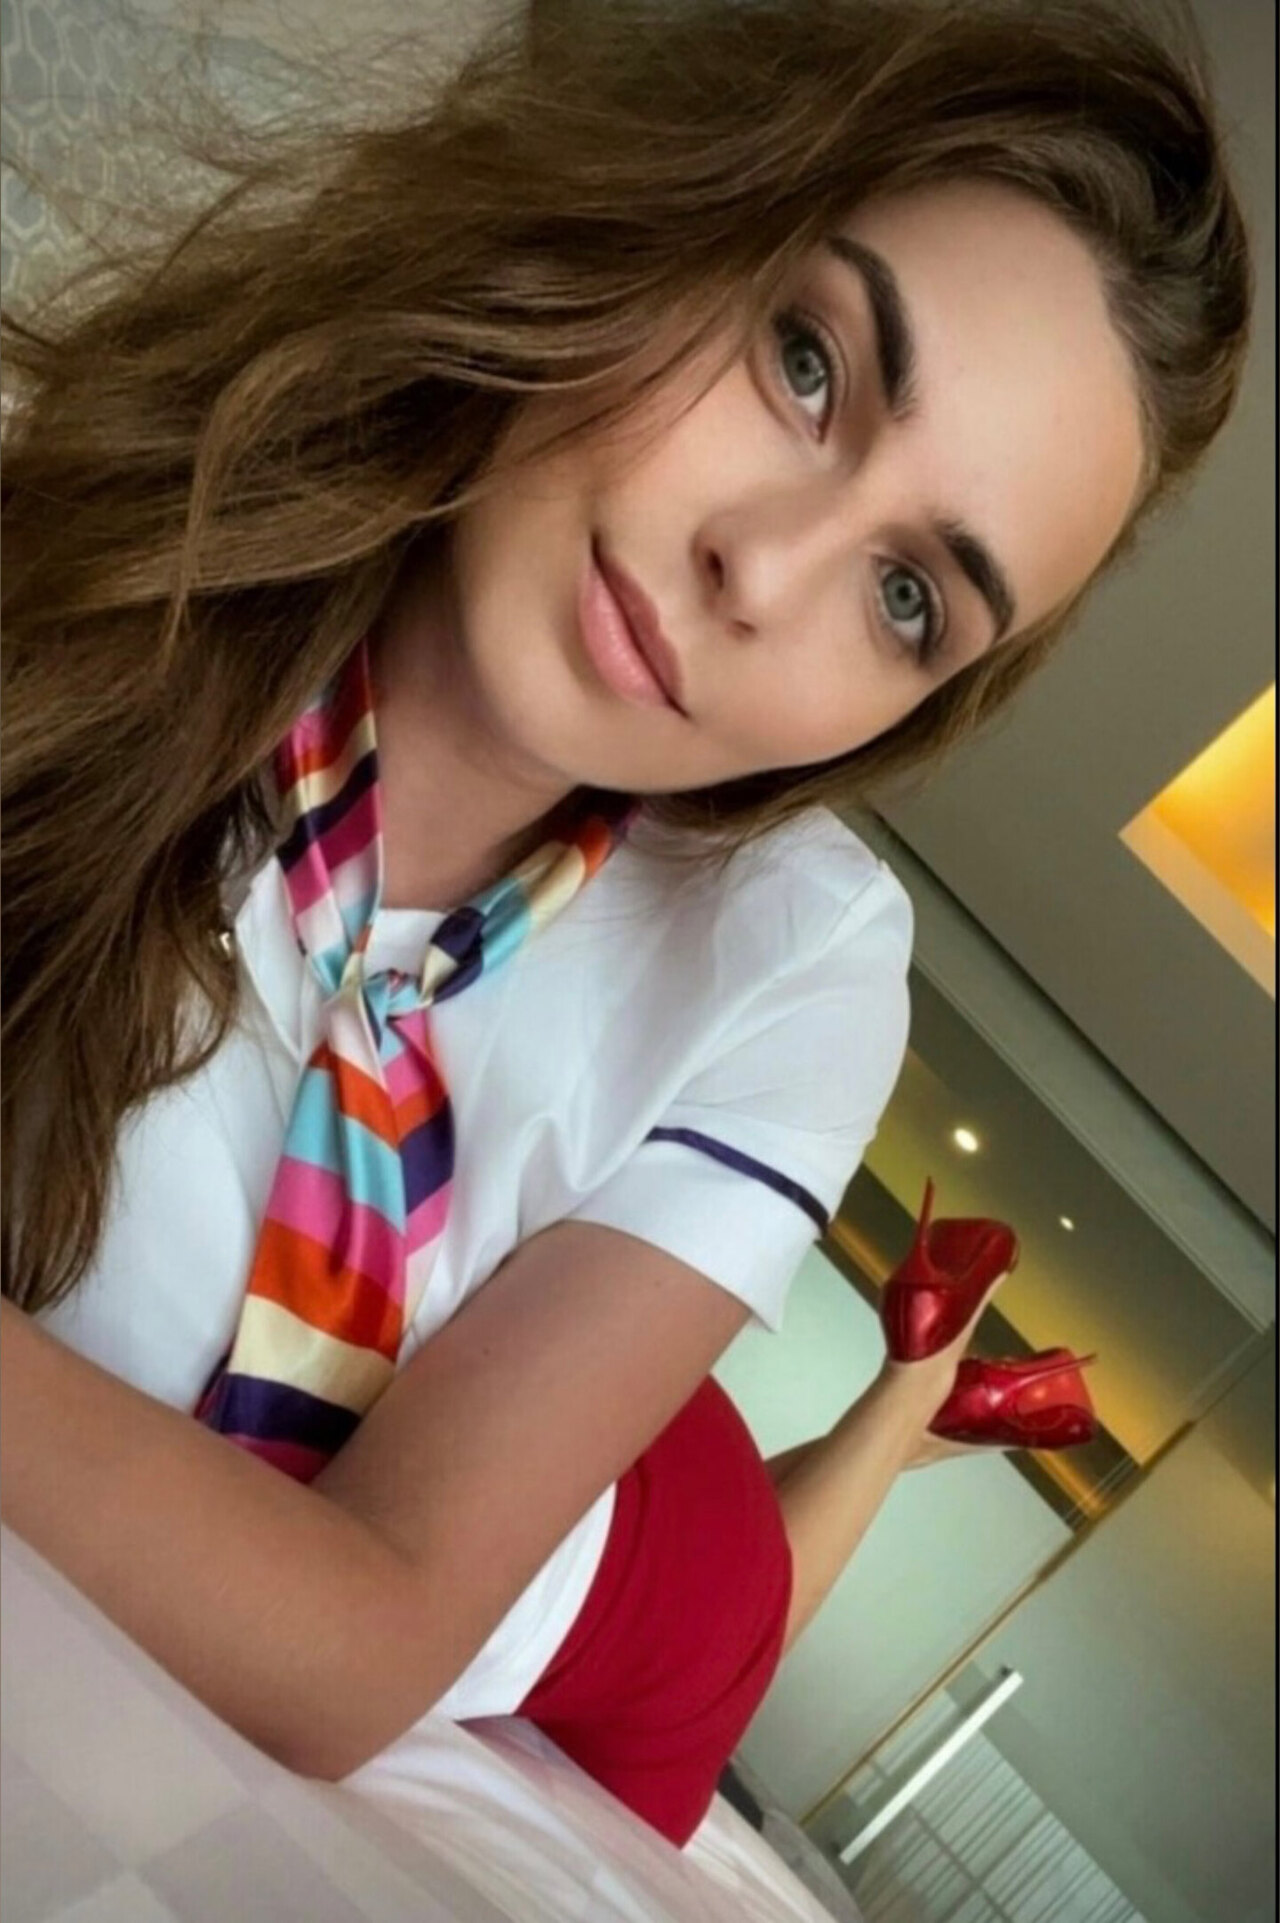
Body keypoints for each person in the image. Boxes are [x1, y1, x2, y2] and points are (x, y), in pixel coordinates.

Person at [0, 0, 1252, 1858]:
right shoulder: (98, 583)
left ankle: (912, 1392)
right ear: (673, 215)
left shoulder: (802, 950)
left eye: (910, 597)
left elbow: (359, 1650)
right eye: (808, 364)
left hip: (630, 1586)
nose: (764, 568)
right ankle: (916, 1389)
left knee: (735, 1604)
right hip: (557, 1397)